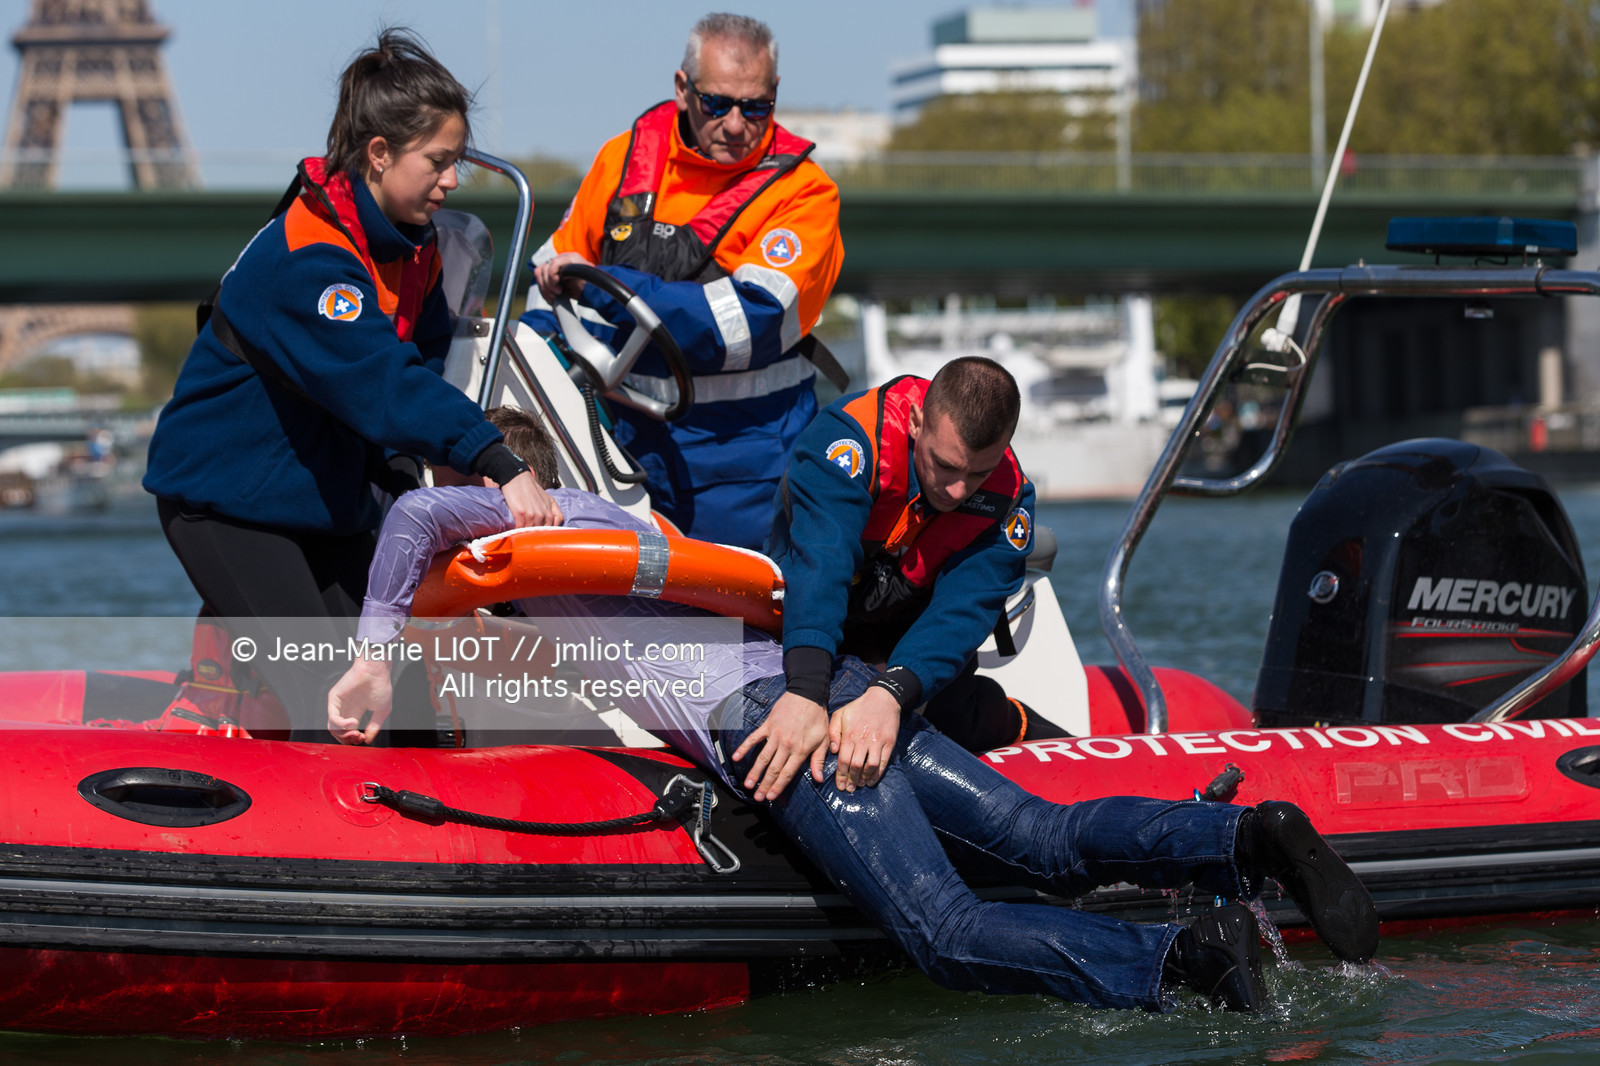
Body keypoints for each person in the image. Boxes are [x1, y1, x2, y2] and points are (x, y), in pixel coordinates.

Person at [326, 407, 1381, 1014]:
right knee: (1043, 838)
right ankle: (1245, 836)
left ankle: (1180, 961)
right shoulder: (610, 525)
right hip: (837, 684)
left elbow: (417, 514)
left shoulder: (515, 517)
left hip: (771, 721)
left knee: (945, 930)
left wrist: (372, 661)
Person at [143, 30, 560, 737]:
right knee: (330, 703)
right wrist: (499, 460)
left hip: (323, 503)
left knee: (408, 704)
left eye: (457, 162)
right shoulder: (308, 256)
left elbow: (422, 367)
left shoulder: (416, 248)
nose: (453, 181)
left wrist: (424, 478)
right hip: (225, 505)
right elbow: (381, 382)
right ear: (379, 153)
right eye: (438, 162)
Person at [519, 13, 844, 550]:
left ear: (775, 93)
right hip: (616, 447)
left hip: (745, 464)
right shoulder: (622, 161)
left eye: (756, 107)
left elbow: (745, 324)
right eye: (717, 103)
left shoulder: (805, 194)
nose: (736, 125)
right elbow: (548, 285)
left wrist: (601, 285)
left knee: (745, 603)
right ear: (682, 88)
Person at [767, 356, 1041, 757]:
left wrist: (891, 692)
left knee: (951, 720)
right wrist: (805, 690)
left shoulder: (1010, 495)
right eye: (945, 465)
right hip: (816, 605)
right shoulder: (851, 438)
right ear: (916, 422)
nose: (957, 490)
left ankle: (1022, 724)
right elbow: (820, 561)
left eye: (978, 474)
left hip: (909, 614)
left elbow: (966, 608)